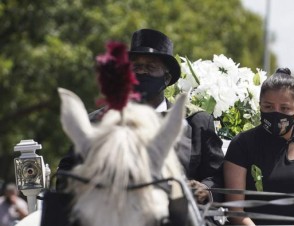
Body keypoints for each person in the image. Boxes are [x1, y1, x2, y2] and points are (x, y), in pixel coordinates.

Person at [58, 28, 224, 203]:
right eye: (136, 67)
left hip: (181, 219)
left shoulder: (195, 121)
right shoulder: (98, 121)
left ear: (166, 78)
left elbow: (217, 176)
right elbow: (65, 174)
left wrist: (205, 189)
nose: (142, 72)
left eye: (151, 67)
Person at [223, 68, 294, 226]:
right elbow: (235, 209)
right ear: (259, 106)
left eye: (285, 108)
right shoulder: (241, 144)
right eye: (268, 107)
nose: (276, 113)